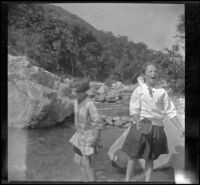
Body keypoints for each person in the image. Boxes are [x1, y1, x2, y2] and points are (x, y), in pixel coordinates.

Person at [125, 61, 185, 182]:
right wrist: (138, 122)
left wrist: (180, 129)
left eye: (155, 71)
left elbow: (170, 111)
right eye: (150, 71)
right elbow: (134, 109)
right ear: (144, 74)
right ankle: (127, 180)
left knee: (150, 158)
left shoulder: (162, 92)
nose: (153, 73)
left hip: (156, 128)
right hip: (141, 125)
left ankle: (147, 181)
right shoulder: (139, 90)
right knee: (133, 155)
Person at [69, 79, 103, 182]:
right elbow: (76, 116)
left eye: (76, 91)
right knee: (77, 160)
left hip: (90, 136)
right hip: (80, 135)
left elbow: (99, 124)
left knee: (87, 163)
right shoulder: (76, 101)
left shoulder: (90, 104)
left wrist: (95, 140)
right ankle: (86, 180)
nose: (73, 93)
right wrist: (77, 130)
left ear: (83, 91)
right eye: (73, 90)